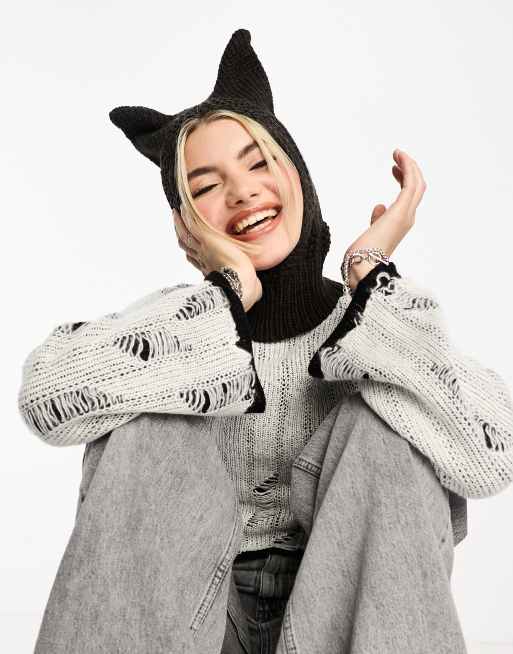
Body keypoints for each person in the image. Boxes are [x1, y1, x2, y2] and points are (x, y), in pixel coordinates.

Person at [18, 28, 513, 654]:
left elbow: (492, 453)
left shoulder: (373, 322)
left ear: (298, 176)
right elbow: (47, 397)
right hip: (185, 624)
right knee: (151, 417)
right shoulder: (177, 329)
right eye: (205, 187)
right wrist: (227, 292)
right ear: (186, 224)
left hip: (353, 622)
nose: (242, 191)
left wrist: (370, 275)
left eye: (258, 164)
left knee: (390, 416)